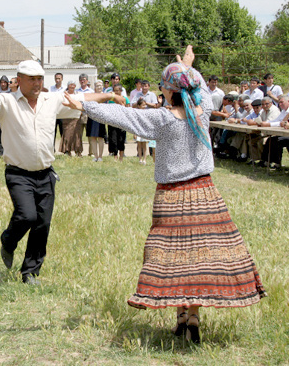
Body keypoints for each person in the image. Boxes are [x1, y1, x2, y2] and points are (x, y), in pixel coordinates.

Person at [63, 46, 266, 344]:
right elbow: (193, 84)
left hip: (171, 196)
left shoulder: (163, 118)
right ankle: (193, 315)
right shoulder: (204, 111)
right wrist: (186, 65)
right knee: (200, 260)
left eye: (163, 86)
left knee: (173, 259)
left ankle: (181, 317)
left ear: (168, 91)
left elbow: (123, 115)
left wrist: (86, 106)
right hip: (205, 193)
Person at [0, 60, 119, 285]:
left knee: (42, 224)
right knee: (27, 215)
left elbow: (83, 99)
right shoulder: (5, 101)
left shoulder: (51, 100)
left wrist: (109, 97)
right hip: (18, 173)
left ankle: (30, 272)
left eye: (40, 79)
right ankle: (8, 241)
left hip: (46, 173)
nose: (37, 83)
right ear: (19, 80)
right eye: (32, 79)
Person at [107, 84, 128, 161]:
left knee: (121, 139)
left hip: (122, 122)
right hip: (113, 122)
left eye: (117, 90)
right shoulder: (111, 100)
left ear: (121, 91)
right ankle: (115, 156)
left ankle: (121, 157)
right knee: (113, 139)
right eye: (114, 90)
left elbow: (128, 110)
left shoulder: (125, 99)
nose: (116, 92)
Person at [86, 80, 106, 162]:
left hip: (101, 117)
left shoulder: (105, 95)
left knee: (100, 137)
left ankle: (100, 156)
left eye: (101, 85)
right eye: (97, 85)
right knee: (93, 137)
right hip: (92, 117)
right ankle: (95, 156)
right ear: (94, 87)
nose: (99, 87)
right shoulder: (91, 95)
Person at [134, 99, 149, 165]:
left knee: (144, 145)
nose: (144, 106)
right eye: (143, 105)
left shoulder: (146, 113)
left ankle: (144, 159)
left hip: (144, 130)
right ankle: (140, 158)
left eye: (145, 105)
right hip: (138, 130)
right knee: (139, 145)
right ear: (139, 106)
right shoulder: (136, 113)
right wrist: (134, 133)